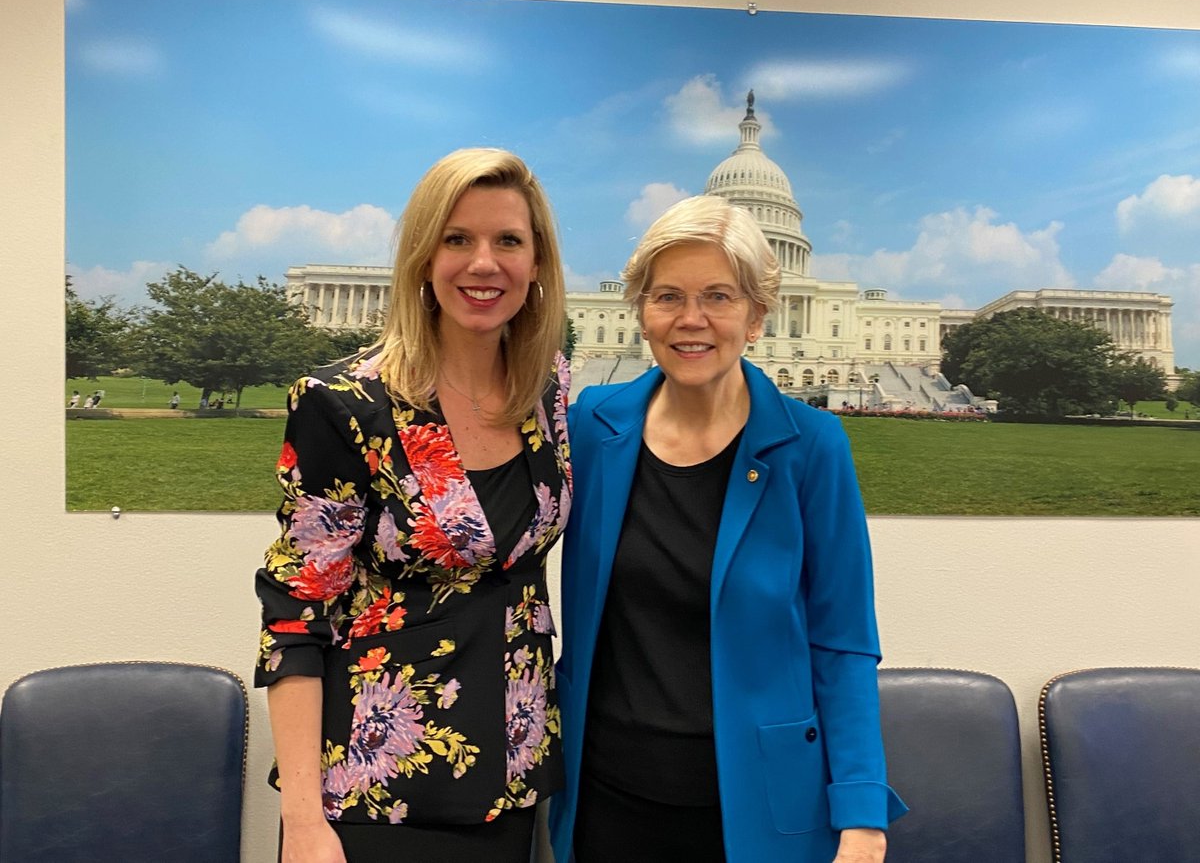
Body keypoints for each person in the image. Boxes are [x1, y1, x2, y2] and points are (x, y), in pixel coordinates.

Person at [550, 195, 906, 863]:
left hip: (761, 805)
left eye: (718, 295)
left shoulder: (811, 446)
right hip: (609, 800)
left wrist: (862, 813)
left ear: (757, 314)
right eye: (667, 297)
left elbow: (844, 642)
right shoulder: (594, 428)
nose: (692, 320)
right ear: (642, 310)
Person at [254, 147, 571, 863]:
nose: (483, 263)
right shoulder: (345, 404)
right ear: (423, 258)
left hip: (513, 776)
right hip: (377, 790)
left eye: (508, 241)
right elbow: (295, 615)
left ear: (538, 262)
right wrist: (303, 823)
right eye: (457, 239)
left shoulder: (545, 391)